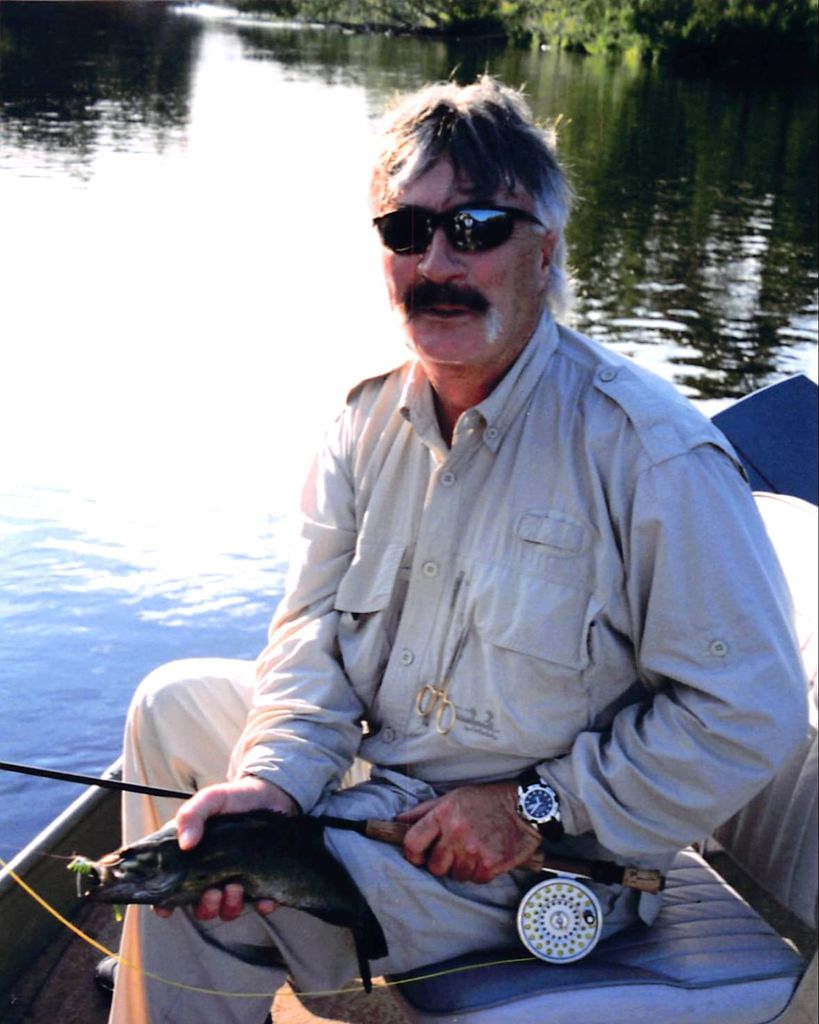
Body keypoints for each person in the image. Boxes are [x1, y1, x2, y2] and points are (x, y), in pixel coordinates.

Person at [107, 77, 808, 1024]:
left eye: (475, 228)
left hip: (552, 866)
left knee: (205, 887)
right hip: (384, 789)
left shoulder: (649, 454)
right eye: (406, 230)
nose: (436, 261)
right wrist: (273, 781)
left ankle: (191, 967)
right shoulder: (362, 419)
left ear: (543, 252)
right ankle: (179, 976)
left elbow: (747, 717)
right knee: (172, 706)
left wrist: (531, 806)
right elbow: (311, 642)